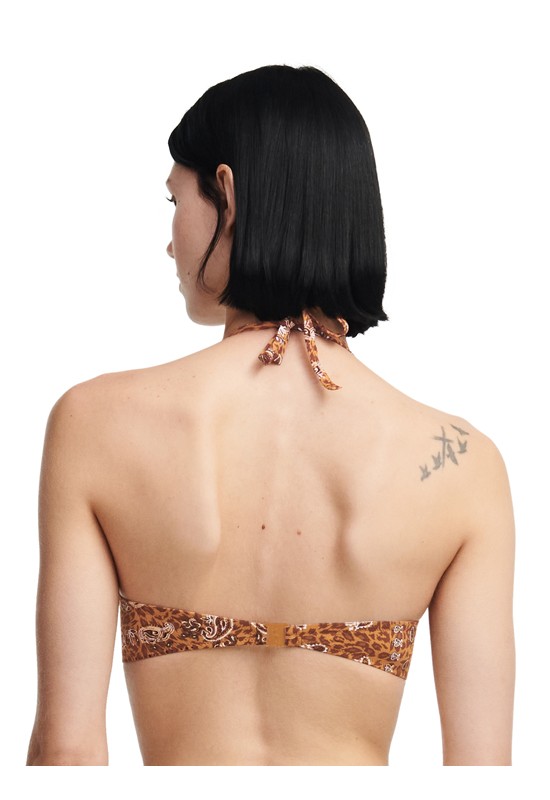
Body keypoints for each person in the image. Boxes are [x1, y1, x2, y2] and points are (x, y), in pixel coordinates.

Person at [26, 64, 515, 767]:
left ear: (226, 194)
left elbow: (67, 754)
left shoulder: (95, 422)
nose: (169, 240)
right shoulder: (463, 464)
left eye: (174, 200)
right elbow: (482, 775)